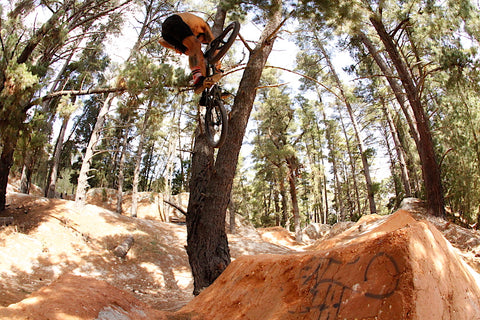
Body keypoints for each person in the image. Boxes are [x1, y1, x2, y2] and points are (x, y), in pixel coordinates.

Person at [159, 13, 214, 92]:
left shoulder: (189, 34)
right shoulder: (203, 25)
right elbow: (213, 41)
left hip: (167, 34)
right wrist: (218, 63)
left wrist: (175, 47)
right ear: (202, 34)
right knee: (195, 44)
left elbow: (161, 41)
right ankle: (197, 78)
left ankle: (203, 87)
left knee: (198, 54)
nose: (202, 42)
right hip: (174, 21)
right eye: (203, 40)